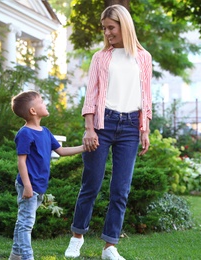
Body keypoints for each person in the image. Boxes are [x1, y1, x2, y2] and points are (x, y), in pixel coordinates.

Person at [64, 4, 152, 260]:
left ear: (124, 26)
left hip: (130, 127)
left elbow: (146, 96)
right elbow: (90, 95)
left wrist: (144, 129)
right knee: (90, 184)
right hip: (103, 124)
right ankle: (77, 237)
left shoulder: (144, 58)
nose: (107, 33)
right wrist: (89, 128)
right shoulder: (101, 58)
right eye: (104, 29)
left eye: (110, 28)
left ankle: (109, 247)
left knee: (121, 190)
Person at [9, 90, 89, 260]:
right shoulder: (25, 133)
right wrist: (27, 186)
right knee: (26, 223)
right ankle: (26, 257)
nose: (45, 104)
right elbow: (21, 162)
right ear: (33, 111)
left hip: (38, 185)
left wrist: (84, 147)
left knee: (23, 221)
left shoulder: (45, 131)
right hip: (28, 185)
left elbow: (61, 151)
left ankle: (15, 255)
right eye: (42, 102)